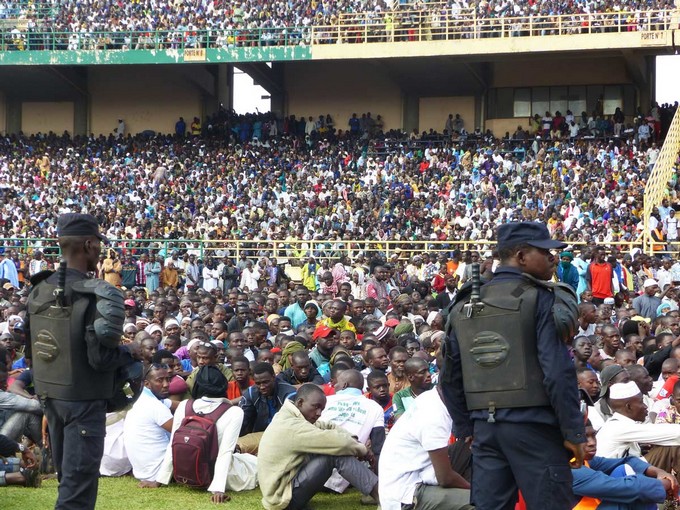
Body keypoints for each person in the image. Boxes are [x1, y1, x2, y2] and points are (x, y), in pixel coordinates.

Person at [443, 222, 585, 510]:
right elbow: (557, 373)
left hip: (486, 429)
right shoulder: (541, 298)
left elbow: (449, 375)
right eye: (545, 252)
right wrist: (573, 433)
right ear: (521, 256)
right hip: (535, 428)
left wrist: (466, 425)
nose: (552, 258)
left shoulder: (464, 302)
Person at [26, 213, 142, 510]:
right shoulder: (97, 295)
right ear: (89, 244)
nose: (100, 252)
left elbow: (33, 351)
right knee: (77, 492)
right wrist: (131, 352)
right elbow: (101, 358)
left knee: (69, 480)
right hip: (84, 402)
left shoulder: (38, 289)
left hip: (51, 399)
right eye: (98, 245)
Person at [258, 383, 380, 510]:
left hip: (284, 488)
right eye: (316, 407)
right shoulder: (292, 426)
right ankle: (382, 496)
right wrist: (363, 450)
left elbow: (327, 426)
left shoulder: (290, 416)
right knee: (335, 455)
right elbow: (339, 443)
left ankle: (378, 492)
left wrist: (354, 440)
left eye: (322, 409)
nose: (319, 413)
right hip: (282, 500)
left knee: (334, 448)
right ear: (300, 403)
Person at [156, 365, 258, 503]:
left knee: (245, 457)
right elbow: (225, 452)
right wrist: (218, 489)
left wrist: (160, 480)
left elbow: (172, 445)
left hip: (185, 474)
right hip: (219, 476)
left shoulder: (184, 405)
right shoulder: (234, 412)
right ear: (223, 385)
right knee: (256, 463)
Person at [379, 385, 472, 510]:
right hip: (406, 495)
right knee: (483, 502)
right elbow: (445, 478)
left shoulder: (433, 397)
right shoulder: (433, 414)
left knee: (475, 445)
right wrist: (474, 490)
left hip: (422, 473)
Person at [572, 420, 676, 509]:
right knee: (635, 491)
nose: (592, 443)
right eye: (584, 437)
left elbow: (627, 461)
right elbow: (630, 487)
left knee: (624, 470)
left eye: (593, 435)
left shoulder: (582, 459)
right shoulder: (568, 469)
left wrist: (659, 472)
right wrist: (666, 484)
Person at [123, 363, 173, 487]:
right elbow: (181, 434)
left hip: (142, 472)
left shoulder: (140, 398)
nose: (166, 384)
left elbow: (177, 404)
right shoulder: (155, 406)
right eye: (160, 380)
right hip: (158, 474)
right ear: (147, 384)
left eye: (168, 379)